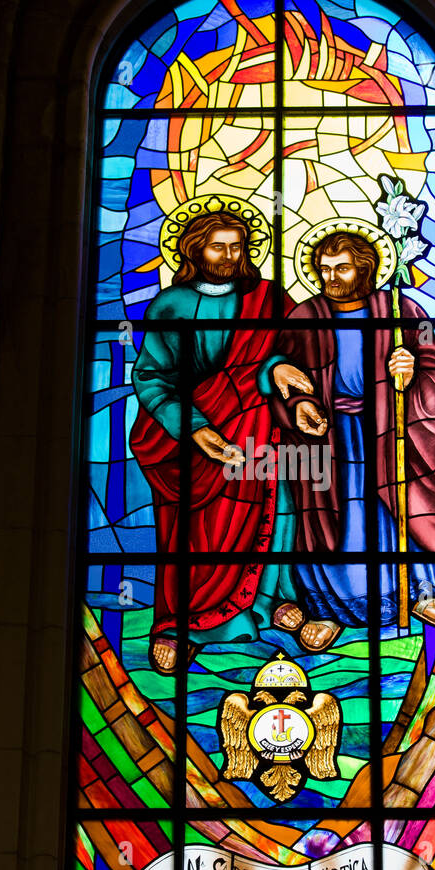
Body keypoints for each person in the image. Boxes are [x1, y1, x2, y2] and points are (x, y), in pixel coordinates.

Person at [128, 210, 311, 673]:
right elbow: (151, 378)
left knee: (273, 510)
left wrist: (279, 372)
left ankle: (271, 601)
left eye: (237, 246)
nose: (229, 257)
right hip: (189, 437)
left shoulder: (269, 299)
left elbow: (295, 352)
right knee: (192, 534)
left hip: (259, 425)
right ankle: (180, 624)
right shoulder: (170, 306)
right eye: (218, 247)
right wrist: (194, 427)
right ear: (193, 250)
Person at [269, 230, 435, 651]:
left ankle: (422, 592)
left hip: (389, 428)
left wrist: (413, 368)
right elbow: (281, 371)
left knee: (395, 509)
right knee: (330, 521)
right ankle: (330, 609)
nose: (331, 277)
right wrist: (296, 396)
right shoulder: (306, 316)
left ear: (366, 268)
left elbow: (432, 356)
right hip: (327, 435)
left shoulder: (401, 308)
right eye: (324, 269)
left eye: (342, 268)